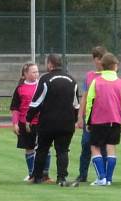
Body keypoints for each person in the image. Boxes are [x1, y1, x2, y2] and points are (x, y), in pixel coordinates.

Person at [26, 53, 80, 187]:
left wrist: (28, 118)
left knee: (42, 149)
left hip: (48, 122)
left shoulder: (45, 79)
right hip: (66, 123)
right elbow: (76, 105)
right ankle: (61, 178)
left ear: (50, 64)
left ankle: (37, 177)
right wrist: (73, 120)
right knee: (63, 150)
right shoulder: (72, 80)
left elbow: (36, 102)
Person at [84, 52, 121, 186]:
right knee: (111, 148)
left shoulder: (96, 82)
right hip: (115, 120)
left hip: (98, 120)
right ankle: (108, 179)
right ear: (115, 66)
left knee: (95, 148)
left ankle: (101, 177)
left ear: (102, 66)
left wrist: (87, 120)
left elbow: (90, 102)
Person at [10, 62, 49, 180]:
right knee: (29, 147)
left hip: (41, 122)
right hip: (25, 123)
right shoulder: (20, 88)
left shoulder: (43, 86)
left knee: (45, 148)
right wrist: (15, 123)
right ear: (25, 74)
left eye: (37, 71)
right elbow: (15, 108)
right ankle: (32, 173)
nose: (37, 74)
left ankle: (45, 175)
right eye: (33, 72)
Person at [76, 46, 108, 183]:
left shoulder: (109, 76)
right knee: (86, 145)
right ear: (95, 60)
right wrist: (79, 116)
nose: (102, 62)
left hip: (104, 117)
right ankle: (82, 174)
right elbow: (84, 96)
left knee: (103, 146)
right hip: (90, 116)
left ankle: (103, 174)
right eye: (100, 59)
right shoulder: (90, 76)